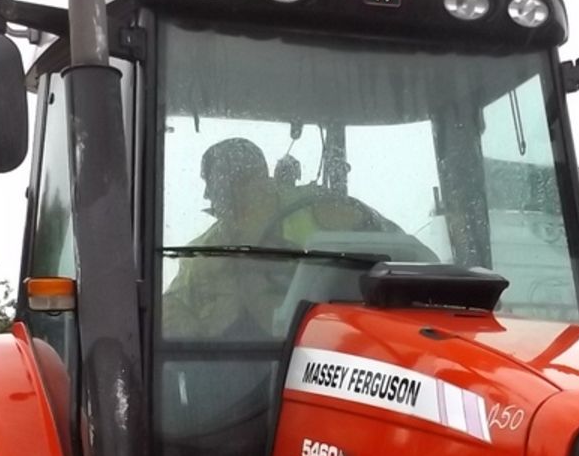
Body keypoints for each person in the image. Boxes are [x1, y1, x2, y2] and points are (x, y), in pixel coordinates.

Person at [160, 138, 411, 337]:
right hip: (236, 368)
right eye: (212, 186)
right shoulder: (203, 252)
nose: (207, 196)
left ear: (258, 179)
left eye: (218, 185)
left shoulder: (324, 212)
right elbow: (171, 305)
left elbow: (404, 255)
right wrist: (180, 317)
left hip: (330, 346)